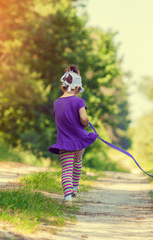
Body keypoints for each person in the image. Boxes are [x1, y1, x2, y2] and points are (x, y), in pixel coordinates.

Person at [48, 65, 98, 205]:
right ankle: (75, 187)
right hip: (78, 140)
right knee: (77, 161)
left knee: (66, 169)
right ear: (76, 88)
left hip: (64, 142)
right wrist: (87, 122)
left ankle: (68, 197)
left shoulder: (57, 103)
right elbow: (83, 119)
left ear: (63, 87)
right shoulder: (79, 101)